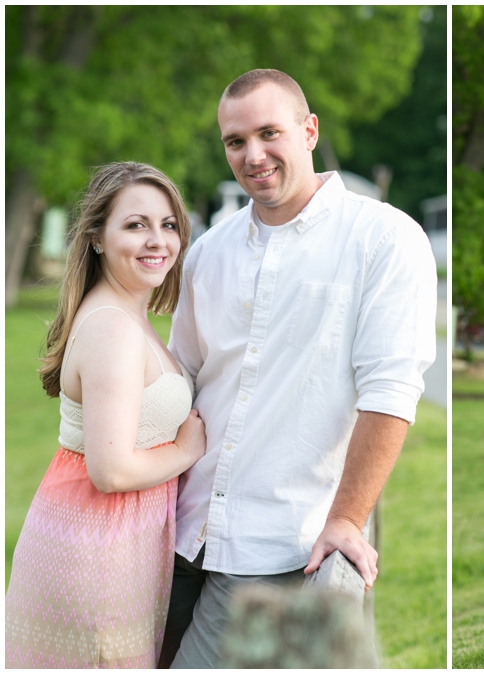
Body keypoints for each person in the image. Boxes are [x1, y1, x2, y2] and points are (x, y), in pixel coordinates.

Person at [158, 69, 436, 668]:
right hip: (176, 535)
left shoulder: (384, 239)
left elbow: (390, 390)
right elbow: (183, 378)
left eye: (269, 133)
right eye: (235, 141)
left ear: (309, 131)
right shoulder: (208, 251)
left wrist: (346, 519)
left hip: (279, 546)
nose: (253, 155)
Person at [5, 162, 207, 668]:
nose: (156, 240)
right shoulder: (112, 327)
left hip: (113, 546)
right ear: (97, 238)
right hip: (97, 551)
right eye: (135, 225)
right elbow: (110, 469)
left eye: (167, 225)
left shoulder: (127, 313)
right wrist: (186, 450)